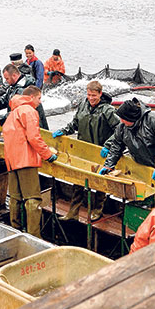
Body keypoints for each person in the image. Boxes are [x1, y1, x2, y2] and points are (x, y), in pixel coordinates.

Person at [52, 80, 119, 221]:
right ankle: (73, 212)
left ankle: (98, 210)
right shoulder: (83, 105)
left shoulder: (108, 110)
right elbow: (75, 124)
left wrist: (108, 145)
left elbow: (120, 129)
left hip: (100, 152)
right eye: (89, 95)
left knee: (99, 182)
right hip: (83, 150)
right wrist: (64, 130)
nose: (91, 98)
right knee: (78, 181)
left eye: (94, 95)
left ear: (100, 94)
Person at [2, 86, 57, 237]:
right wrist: (47, 154)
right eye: (39, 98)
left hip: (11, 161)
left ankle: (15, 229)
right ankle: (34, 235)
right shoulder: (29, 111)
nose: (40, 102)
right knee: (33, 199)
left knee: (15, 197)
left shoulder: (13, 113)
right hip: (26, 160)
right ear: (31, 97)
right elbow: (34, 137)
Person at [101, 97, 155, 174]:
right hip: (140, 166)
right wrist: (108, 165)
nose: (121, 121)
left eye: (123, 119)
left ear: (131, 118)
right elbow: (117, 146)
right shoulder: (122, 127)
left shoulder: (154, 120)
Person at [0, 64, 49, 130]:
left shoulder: (24, 90)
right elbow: (5, 100)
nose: (6, 81)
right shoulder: (13, 86)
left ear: (14, 75)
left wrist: (1, 120)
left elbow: (18, 112)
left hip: (34, 126)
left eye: (7, 79)